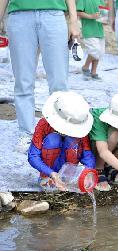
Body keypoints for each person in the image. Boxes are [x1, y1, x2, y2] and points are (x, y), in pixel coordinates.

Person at [0, 0, 80, 153]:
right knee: (23, 82)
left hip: (53, 15)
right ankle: (26, 134)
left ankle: (60, 131)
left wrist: (74, 20)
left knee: (59, 83)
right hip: (19, 15)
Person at [28, 91, 95, 191]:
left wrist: (88, 171)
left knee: (72, 140)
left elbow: (87, 154)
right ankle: (46, 177)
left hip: (68, 172)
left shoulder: (78, 125)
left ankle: (67, 178)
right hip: (49, 173)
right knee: (52, 139)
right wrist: (50, 173)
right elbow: (33, 156)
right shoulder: (44, 124)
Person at [77, 0, 107, 80]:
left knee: (100, 52)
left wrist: (105, 20)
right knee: (95, 50)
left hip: (99, 30)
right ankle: (85, 67)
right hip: (88, 30)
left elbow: (103, 16)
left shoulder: (101, 1)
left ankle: (94, 72)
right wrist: (91, 16)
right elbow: (78, 12)